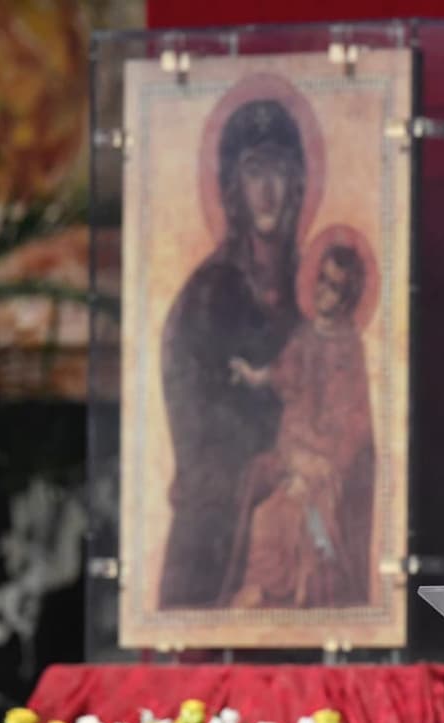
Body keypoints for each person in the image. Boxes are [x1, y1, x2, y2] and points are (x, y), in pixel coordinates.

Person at [158, 99, 306, 608]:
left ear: (298, 182)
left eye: (279, 170)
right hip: (219, 526)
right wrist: (255, 466)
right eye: (253, 170)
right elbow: (196, 421)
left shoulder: (315, 285)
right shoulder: (209, 293)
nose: (268, 189)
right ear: (233, 187)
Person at [221, 243, 375, 608]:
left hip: (327, 465)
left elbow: (355, 420)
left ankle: (279, 590)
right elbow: (281, 375)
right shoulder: (305, 335)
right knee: (264, 508)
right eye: (322, 280)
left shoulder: (350, 347)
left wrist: (321, 464)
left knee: (284, 516)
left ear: (348, 296)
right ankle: (261, 586)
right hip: (294, 453)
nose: (325, 291)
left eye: (336, 287)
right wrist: (253, 375)